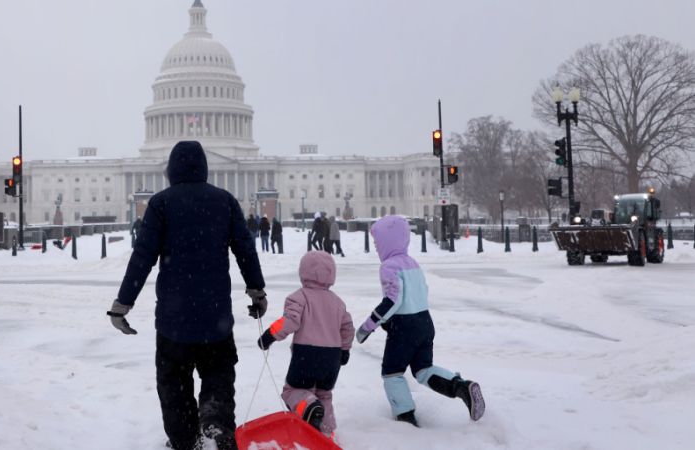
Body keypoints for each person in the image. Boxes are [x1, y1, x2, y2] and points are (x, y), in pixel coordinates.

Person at [107, 141, 267, 450]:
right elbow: (245, 251)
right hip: (216, 317)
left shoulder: (161, 204)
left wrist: (122, 304)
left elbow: (142, 257)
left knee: (175, 385)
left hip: (173, 320)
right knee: (218, 376)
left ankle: (184, 440)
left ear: (170, 170)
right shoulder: (225, 201)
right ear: (204, 168)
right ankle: (215, 424)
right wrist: (256, 290)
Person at [355, 215, 484, 427]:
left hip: (403, 328)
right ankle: (461, 387)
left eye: (378, 243)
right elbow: (422, 291)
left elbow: (393, 299)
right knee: (423, 369)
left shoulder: (389, 266)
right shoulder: (412, 263)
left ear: (388, 241)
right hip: (425, 322)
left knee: (392, 373)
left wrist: (369, 326)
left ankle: (405, 417)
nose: (377, 248)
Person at [258, 251, 354, 439]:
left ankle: (309, 407)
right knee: (324, 394)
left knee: (293, 391)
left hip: (307, 354)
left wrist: (269, 335)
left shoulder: (299, 297)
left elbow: (290, 321)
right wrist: (345, 350)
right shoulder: (337, 302)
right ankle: (325, 433)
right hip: (332, 358)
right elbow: (347, 328)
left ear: (303, 272)